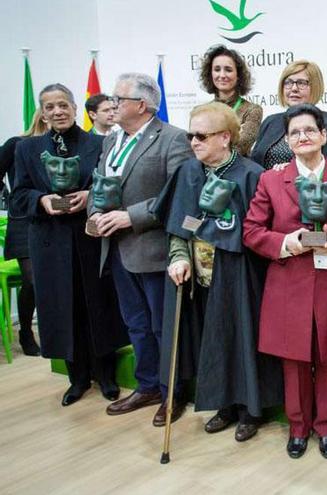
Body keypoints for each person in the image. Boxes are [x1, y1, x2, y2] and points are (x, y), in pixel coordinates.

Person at [153, 101, 282, 442]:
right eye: (191, 135)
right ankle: (223, 405)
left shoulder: (252, 174)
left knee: (242, 339)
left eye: (201, 135)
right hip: (197, 275)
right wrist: (178, 255)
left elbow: (263, 231)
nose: (193, 142)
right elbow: (177, 224)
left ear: (225, 137)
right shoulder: (187, 172)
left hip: (239, 273)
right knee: (213, 341)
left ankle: (250, 410)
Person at [244, 103, 327, 458]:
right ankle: (298, 427)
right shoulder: (271, 179)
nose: (302, 137)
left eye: (309, 130)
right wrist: (285, 243)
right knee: (293, 360)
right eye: (295, 133)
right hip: (288, 281)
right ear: (288, 140)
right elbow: (251, 231)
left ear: (324, 136)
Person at [12, 84, 128, 405]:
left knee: (100, 305)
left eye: (63, 105)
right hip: (50, 242)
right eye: (49, 107)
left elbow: (117, 186)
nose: (57, 112)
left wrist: (91, 195)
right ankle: (77, 379)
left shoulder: (101, 143)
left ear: (75, 108)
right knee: (63, 309)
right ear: (43, 113)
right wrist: (42, 199)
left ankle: (106, 376)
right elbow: (18, 196)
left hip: (91, 237)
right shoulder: (27, 149)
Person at [91, 73, 193, 426]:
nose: (112, 105)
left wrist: (128, 217)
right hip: (117, 250)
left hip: (154, 251)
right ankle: (147, 385)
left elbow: (178, 197)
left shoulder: (173, 139)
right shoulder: (111, 141)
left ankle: (171, 392)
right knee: (136, 325)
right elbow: (99, 185)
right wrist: (95, 214)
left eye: (118, 99)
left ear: (141, 104)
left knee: (164, 328)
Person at [0, 112, 48, 356]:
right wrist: (11, 200)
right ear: (41, 115)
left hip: (50, 220)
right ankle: (26, 332)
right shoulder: (16, 144)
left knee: (49, 280)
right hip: (22, 222)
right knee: (33, 280)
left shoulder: (62, 146)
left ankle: (52, 333)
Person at [251, 60, 327, 168]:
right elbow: (255, 163)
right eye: (288, 82)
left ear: (315, 86)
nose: (294, 88)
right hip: (267, 183)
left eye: (301, 83)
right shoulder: (270, 121)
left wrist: (292, 170)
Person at [199, 44, 263, 156]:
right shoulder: (200, 112)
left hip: (239, 171)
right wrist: (234, 134)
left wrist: (209, 138)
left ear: (238, 75)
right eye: (217, 69)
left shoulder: (252, 110)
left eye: (228, 70)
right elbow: (198, 147)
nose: (222, 75)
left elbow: (239, 148)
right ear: (210, 74)